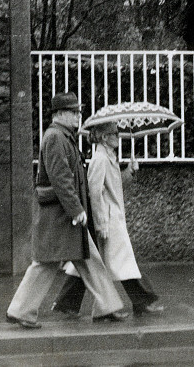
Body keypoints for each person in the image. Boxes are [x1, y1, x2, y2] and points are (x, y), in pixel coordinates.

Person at [5, 92, 128, 328]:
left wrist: (77, 209)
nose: (78, 116)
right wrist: (76, 210)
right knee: (47, 263)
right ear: (60, 114)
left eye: (78, 112)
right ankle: (21, 311)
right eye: (74, 112)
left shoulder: (64, 136)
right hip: (59, 216)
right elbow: (61, 178)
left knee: (90, 259)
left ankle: (108, 306)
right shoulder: (55, 137)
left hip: (66, 215)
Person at [51, 121, 163, 316]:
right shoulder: (100, 159)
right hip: (107, 218)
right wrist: (101, 223)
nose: (118, 137)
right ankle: (142, 300)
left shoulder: (109, 157)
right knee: (123, 260)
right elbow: (94, 192)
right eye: (114, 134)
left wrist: (130, 171)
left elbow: (115, 185)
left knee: (92, 262)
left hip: (111, 217)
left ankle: (66, 302)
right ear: (104, 138)